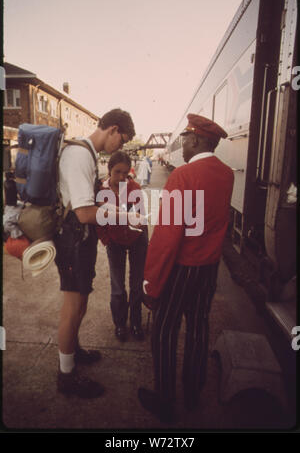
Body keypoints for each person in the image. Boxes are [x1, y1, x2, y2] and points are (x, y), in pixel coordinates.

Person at [138, 114, 234, 422]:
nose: (183, 146)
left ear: (197, 140)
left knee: (165, 330)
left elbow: (167, 236)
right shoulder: (227, 174)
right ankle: (193, 392)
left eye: (187, 139)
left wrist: (151, 281)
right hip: (209, 268)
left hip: (182, 267)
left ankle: (166, 399)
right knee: (198, 328)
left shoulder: (183, 176)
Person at [54, 108, 135, 398]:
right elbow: (86, 212)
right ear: (112, 129)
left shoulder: (88, 153)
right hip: (73, 239)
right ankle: (66, 375)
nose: (121, 147)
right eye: (122, 140)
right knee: (72, 307)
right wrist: (120, 216)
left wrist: (117, 211)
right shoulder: (79, 156)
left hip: (81, 240)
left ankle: (72, 351)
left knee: (82, 303)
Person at [96, 151, 148, 342]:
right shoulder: (102, 191)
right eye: (117, 172)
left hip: (136, 240)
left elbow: (141, 217)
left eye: (125, 173)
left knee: (136, 284)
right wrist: (106, 240)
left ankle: (135, 322)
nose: (121, 177)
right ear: (109, 169)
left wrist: (142, 233)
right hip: (115, 241)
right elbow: (98, 220)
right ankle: (120, 324)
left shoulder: (134, 187)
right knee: (117, 286)